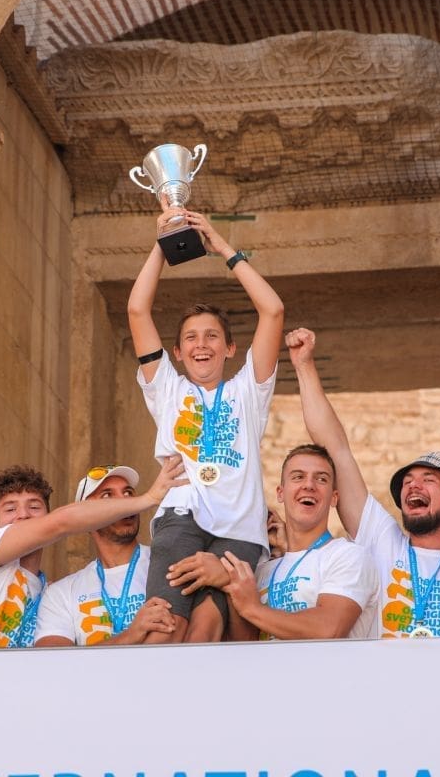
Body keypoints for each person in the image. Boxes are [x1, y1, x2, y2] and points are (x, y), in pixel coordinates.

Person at [128, 205, 284, 643]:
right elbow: (137, 310)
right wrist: (162, 245)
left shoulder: (248, 391)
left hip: (240, 529)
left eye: (212, 336)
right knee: (165, 626)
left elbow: (273, 311)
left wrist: (222, 248)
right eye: (191, 338)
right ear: (177, 353)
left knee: (209, 627)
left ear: (230, 348)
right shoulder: (168, 388)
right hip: (180, 518)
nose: (202, 344)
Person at [288, 329, 440, 638]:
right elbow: (336, 449)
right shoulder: (382, 541)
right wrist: (304, 365)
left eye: (428, 479)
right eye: (407, 481)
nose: (413, 486)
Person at [0, 456, 185, 649]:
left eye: (34, 507)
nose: (23, 515)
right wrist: (149, 498)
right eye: (10, 509)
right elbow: (61, 523)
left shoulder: (47, 592)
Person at [221, 444, 378, 640]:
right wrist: (230, 585)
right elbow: (244, 646)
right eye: (298, 477)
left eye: (321, 479)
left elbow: (329, 629)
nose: (309, 485)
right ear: (280, 493)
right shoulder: (262, 569)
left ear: (334, 498)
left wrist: (252, 608)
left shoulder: (348, 556)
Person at [34, 465, 175, 646]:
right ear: (85, 518)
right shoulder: (61, 593)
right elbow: (52, 660)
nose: (124, 502)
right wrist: (130, 636)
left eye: (128, 493)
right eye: (107, 496)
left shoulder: (171, 564)